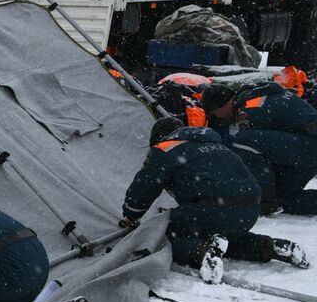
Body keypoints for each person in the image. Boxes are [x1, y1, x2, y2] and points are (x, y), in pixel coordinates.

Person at [121, 116, 307, 284]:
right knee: (229, 238)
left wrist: (131, 214)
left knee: (161, 233)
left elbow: (145, 185)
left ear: (158, 137)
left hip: (211, 208)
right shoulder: (217, 145)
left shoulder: (165, 148)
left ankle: (200, 252)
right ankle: (269, 247)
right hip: (249, 209)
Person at [200, 82, 317, 218]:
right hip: (315, 145)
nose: (218, 120)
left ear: (222, 104)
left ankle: (264, 199)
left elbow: (249, 153)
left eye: (214, 115)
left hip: (311, 144)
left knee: (244, 141)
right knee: (284, 198)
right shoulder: (257, 98)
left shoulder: (250, 108)